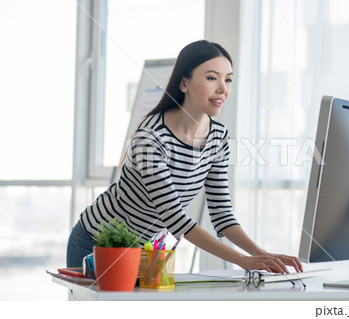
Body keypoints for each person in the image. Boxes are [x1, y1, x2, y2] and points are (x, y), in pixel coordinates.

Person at [66, 40, 303, 274]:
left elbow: (222, 213)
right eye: (212, 78)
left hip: (145, 252)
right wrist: (243, 260)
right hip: (96, 245)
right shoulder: (150, 138)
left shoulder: (218, 136)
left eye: (228, 79)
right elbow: (176, 218)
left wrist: (261, 255)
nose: (223, 89)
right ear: (184, 84)